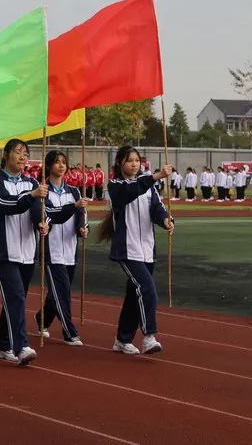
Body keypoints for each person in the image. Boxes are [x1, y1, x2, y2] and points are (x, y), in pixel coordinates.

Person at [98, 145, 173, 355]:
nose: (134, 164)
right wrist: (155, 176)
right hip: (127, 249)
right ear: (119, 162)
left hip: (147, 249)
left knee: (134, 294)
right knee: (147, 288)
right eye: (130, 160)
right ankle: (149, 336)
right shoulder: (116, 185)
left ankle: (122, 339)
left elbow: (157, 208)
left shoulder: (148, 186)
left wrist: (166, 220)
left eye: (137, 161)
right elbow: (129, 192)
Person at [0, 138, 47, 366]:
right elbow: (3, 204)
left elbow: (38, 210)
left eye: (25, 153)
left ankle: (4, 346)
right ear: (6, 155)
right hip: (4, 251)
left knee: (15, 299)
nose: (22, 157)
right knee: (16, 297)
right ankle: (21, 346)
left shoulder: (32, 183)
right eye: (18, 152)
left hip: (27, 251)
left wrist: (43, 222)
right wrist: (31, 196)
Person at [36, 150, 87, 346]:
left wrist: (83, 227)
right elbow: (52, 214)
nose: (61, 165)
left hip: (70, 249)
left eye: (64, 162)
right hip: (52, 250)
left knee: (57, 292)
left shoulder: (73, 191)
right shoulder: (43, 191)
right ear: (49, 166)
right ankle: (69, 331)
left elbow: (81, 214)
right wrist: (73, 206)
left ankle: (42, 318)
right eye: (57, 162)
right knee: (63, 292)